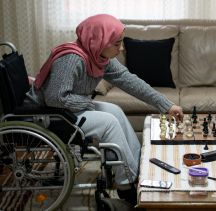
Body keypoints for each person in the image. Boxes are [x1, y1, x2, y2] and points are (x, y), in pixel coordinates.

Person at [24, 14, 184, 205]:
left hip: (68, 109)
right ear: (100, 41)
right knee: (108, 123)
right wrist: (88, 103)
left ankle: (136, 168)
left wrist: (166, 105)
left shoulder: (98, 56)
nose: (122, 48)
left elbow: (130, 81)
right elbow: (55, 97)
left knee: (114, 110)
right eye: (117, 44)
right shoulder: (71, 59)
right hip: (48, 114)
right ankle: (126, 186)